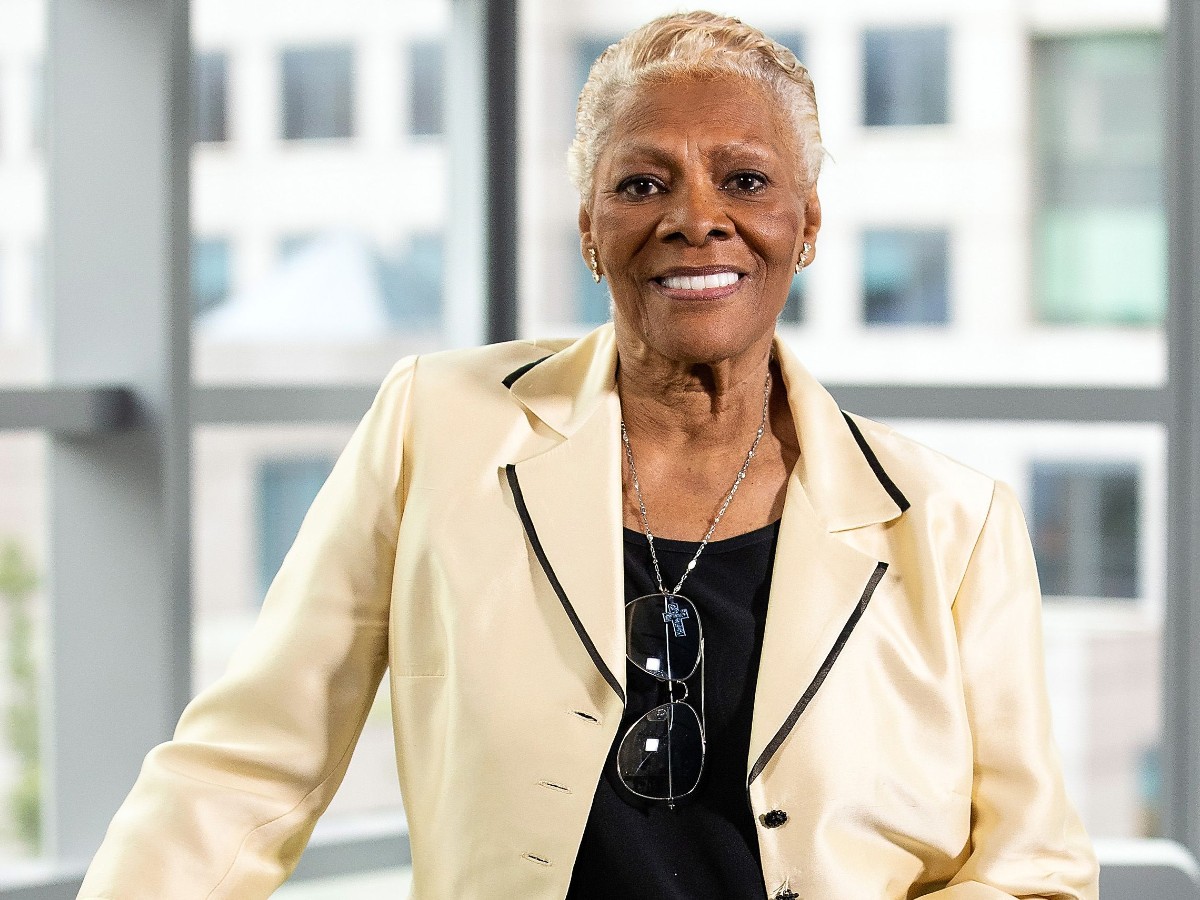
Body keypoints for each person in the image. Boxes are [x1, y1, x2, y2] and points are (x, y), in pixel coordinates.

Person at [79, 11, 1099, 900]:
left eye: (745, 179)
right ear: (588, 225)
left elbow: (1032, 870)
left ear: (808, 223)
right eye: (642, 182)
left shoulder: (955, 525)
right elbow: (247, 767)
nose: (696, 218)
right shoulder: (435, 427)